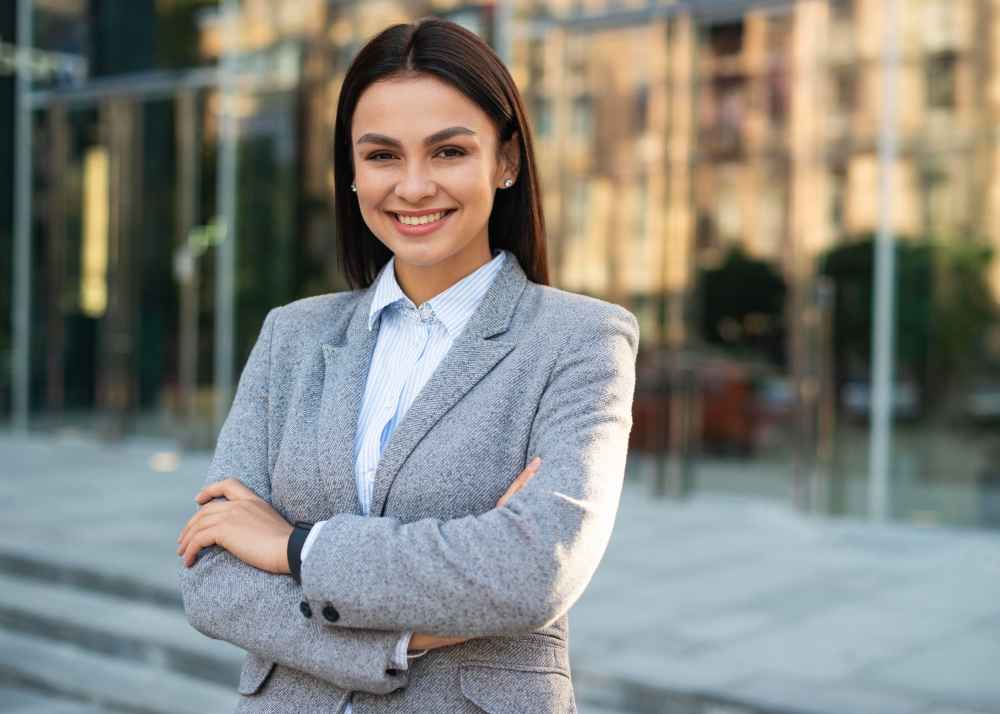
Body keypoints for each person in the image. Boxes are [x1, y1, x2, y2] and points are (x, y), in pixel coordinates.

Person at [176, 16, 639, 713]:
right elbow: (213, 580)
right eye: (383, 156)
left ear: (505, 161)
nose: (414, 187)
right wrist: (404, 637)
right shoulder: (291, 337)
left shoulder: (581, 339)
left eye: (449, 151)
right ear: (353, 173)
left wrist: (295, 548)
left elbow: (532, 568)